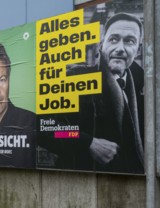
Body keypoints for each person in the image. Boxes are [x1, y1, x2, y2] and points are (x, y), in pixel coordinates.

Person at [42, 13, 145, 173]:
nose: (120, 48)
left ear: (138, 50)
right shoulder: (76, 77)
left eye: (129, 41)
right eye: (114, 39)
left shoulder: (144, 84)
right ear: (102, 44)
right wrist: (87, 142)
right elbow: (44, 127)